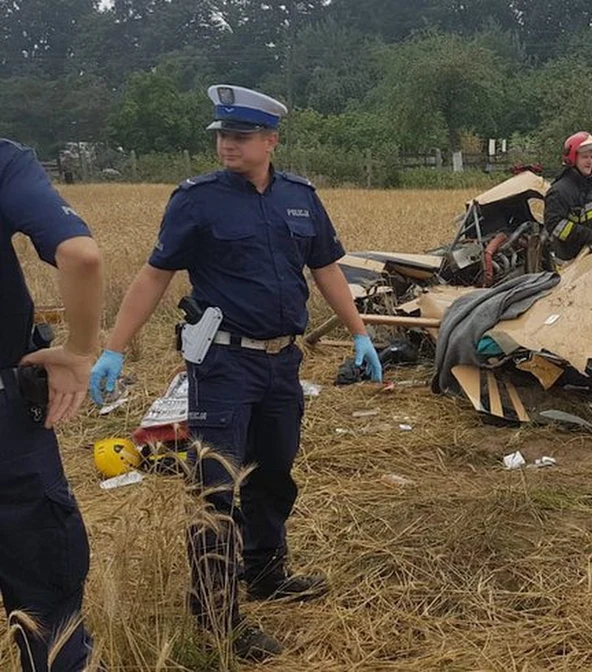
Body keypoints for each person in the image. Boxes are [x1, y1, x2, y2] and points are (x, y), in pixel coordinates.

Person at [88, 85, 384, 661]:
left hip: (282, 362)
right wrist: (115, 348)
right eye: (223, 135)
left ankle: (267, 572)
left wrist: (360, 333)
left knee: (274, 473)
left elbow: (324, 267)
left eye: (241, 136)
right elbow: (155, 275)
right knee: (214, 491)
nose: (228, 144)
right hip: (223, 364)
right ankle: (218, 621)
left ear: (270, 141)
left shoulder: (299, 198)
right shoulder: (196, 201)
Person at [0, 138, 104, 671]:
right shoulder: (4, 159)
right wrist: (81, 350)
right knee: (46, 608)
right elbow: (81, 255)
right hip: (5, 424)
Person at [544, 132, 592, 262]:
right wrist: (588, 235)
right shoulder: (559, 191)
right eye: (584, 156)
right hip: (569, 260)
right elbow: (555, 225)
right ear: (572, 159)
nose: (589, 161)